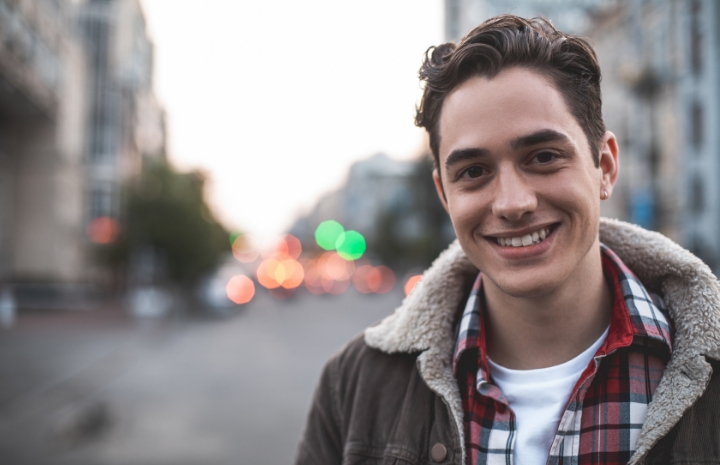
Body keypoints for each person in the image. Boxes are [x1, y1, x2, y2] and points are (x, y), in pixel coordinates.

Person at [295, 15, 720, 465]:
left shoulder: (705, 370)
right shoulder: (355, 385)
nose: (512, 203)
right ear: (444, 194)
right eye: (474, 172)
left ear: (605, 166)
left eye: (543, 157)